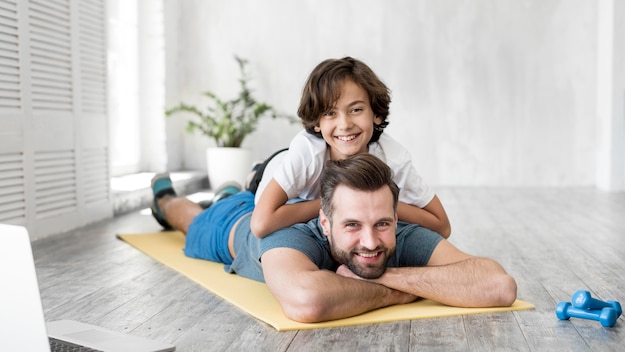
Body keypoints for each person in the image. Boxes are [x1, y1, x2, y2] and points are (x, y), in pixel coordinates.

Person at [157, 154, 518, 324]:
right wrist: (413, 290)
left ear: (395, 217)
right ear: (325, 223)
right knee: (188, 218)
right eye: (352, 226)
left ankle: (237, 186)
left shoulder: (401, 235)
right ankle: (167, 197)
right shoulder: (291, 234)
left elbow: (497, 285)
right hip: (237, 222)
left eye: (381, 224)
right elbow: (307, 301)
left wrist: (389, 277)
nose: (371, 242)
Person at [250, 57, 450, 239]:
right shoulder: (307, 152)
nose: (344, 124)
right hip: (275, 167)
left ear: (376, 114)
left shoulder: (393, 157)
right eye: (330, 113)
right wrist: (339, 203)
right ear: (317, 122)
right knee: (254, 181)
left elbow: (442, 226)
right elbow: (260, 224)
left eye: (356, 110)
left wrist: (382, 203)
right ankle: (253, 173)